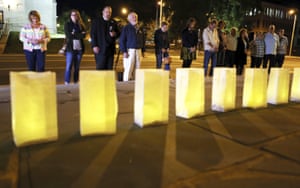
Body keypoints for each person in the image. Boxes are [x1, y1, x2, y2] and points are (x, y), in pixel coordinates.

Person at [90, 6, 120, 70]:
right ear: (103, 12)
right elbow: (93, 34)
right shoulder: (96, 22)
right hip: (100, 49)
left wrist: (115, 34)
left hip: (110, 50)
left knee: (109, 69)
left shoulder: (113, 22)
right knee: (100, 67)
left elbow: (118, 33)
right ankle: (100, 80)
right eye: (106, 12)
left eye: (110, 12)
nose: (108, 14)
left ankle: (108, 80)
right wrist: (94, 45)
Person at [119, 12, 145, 81]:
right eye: (133, 17)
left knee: (138, 68)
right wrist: (124, 51)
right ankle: (126, 84)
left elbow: (143, 40)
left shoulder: (140, 28)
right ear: (129, 19)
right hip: (129, 51)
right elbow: (122, 41)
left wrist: (143, 51)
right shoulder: (126, 28)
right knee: (128, 68)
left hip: (139, 50)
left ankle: (135, 84)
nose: (135, 18)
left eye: (136, 17)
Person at [64, 9, 86, 85]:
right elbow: (69, 35)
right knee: (69, 66)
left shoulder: (81, 25)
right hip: (70, 49)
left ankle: (76, 81)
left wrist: (74, 34)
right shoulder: (67, 24)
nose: (75, 16)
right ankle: (67, 82)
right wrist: (78, 34)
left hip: (79, 49)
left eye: (76, 15)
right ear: (70, 16)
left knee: (77, 67)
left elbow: (84, 35)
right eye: (73, 15)